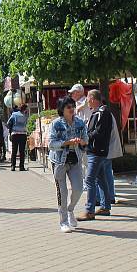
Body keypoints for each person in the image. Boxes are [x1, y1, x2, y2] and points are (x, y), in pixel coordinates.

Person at [49, 98, 87, 233]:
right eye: (68, 107)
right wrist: (67, 142)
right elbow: (51, 144)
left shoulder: (80, 123)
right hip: (59, 161)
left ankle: (70, 209)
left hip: (75, 159)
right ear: (62, 109)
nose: (71, 109)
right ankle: (63, 221)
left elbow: (86, 140)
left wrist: (81, 142)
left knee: (79, 188)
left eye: (73, 106)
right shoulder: (55, 124)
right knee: (62, 192)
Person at [78, 90, 113, 221]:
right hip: (96, 150)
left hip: (97, 151)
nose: (87, 101)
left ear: (93, 99)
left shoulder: (103, 113)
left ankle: (89, 211)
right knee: (100, 179)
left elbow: (99, 132)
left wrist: (85, 138)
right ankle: (105, 206)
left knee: (89, 179)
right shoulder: (98, 113)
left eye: (88, 98)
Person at [7, 104, 29, 171]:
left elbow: (8, 123)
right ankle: (21, 167)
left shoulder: (14, 114)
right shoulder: (25, 116)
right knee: (22, 151)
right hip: (23, 134)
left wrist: (10, 132)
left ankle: (13, 166)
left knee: (14, 151)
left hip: (15, 134)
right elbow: (26, 124)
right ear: (25, 109)